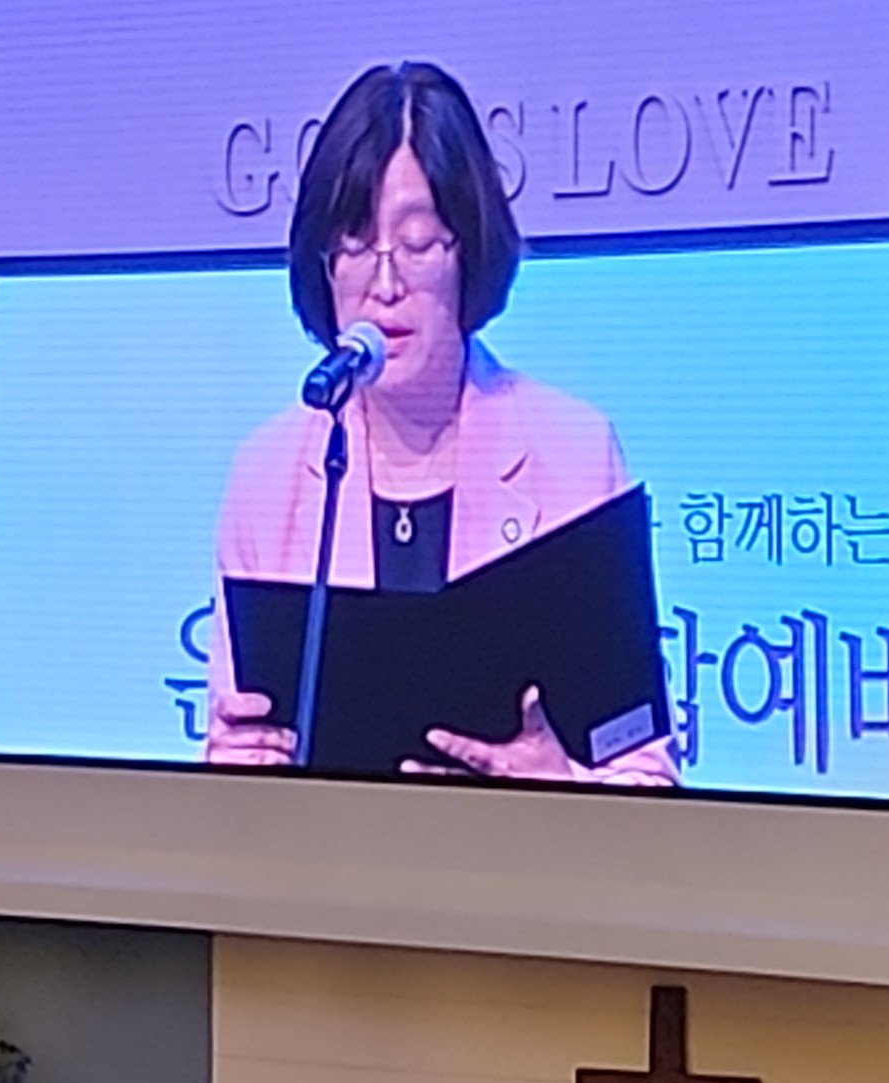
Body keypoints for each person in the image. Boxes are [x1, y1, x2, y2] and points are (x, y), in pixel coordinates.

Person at [204, 62, 669, 787]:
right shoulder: (269, 474)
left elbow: (645, 773)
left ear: (468, 250)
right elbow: (233, 747)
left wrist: (563, 788)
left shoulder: (572, 450)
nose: (384, 285)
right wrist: (232, 772)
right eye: (355, 245)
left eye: (418, 244)